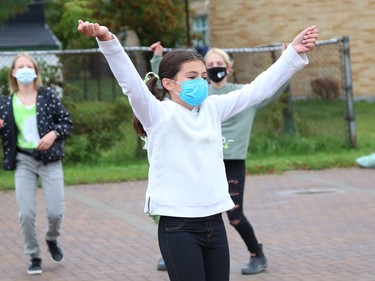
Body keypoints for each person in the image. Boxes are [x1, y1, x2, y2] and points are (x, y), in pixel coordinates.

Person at [77, 19, 318, 281]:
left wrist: (293, 53)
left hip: (214, 222)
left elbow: (257, 90)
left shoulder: (213, 108)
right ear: (168, 83)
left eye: (202, 77)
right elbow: (129, 82)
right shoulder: (156, 113)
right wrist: (107, 39)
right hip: (178, 226)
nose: (201, 83)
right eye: (192, 77)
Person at [150, 42, 289, 274]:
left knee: (234, 213)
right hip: (182, 213)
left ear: (229, 67)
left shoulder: (221, 101)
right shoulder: (188, 105)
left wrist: (289, 59)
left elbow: (262, 89)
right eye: (205, 68)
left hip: (232, 162)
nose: (204, 78)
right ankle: (179, 249)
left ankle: (257, 253)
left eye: (206, 73)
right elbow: (156, 85)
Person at [0, 53, 73, 275]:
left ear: (35, 71)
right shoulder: (5, 103)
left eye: (28, 66)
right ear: (13, 72)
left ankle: (52, 239)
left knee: (55, 212)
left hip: (49, 160)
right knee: (26, 214)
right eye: (19, 66)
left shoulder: (47, 96)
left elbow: (66, 122)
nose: (24, 69)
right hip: (23, 160)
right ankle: (33, 255)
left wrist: (53, 134)